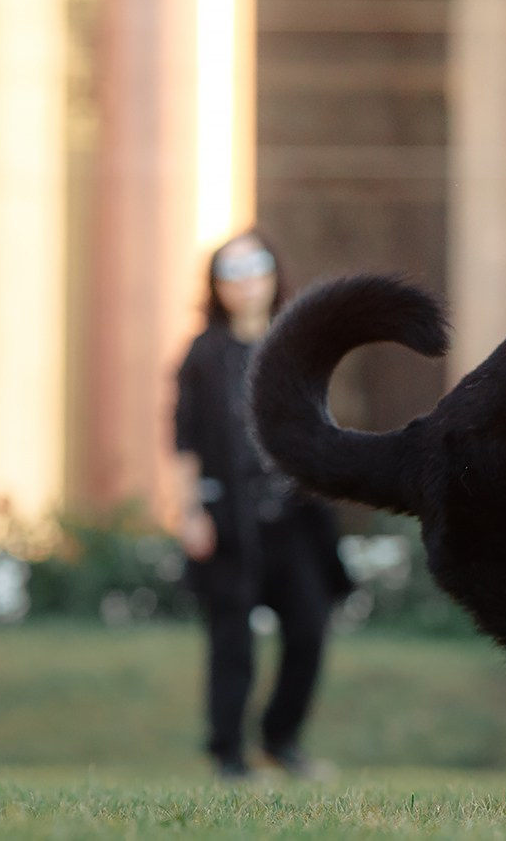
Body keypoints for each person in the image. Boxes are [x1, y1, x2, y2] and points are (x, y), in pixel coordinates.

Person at [172, 230, 350, 781]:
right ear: (216, 287)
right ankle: (227, 754)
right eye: (233, 275)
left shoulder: (293, 347)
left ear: (274, 277)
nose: (246, 285)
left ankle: (281, 740)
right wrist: (190, 512)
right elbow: (183, 440)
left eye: (256, 271)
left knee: (309, 626)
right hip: (229, 521)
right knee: (232, 642)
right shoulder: (203, 354)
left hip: (294, 519)